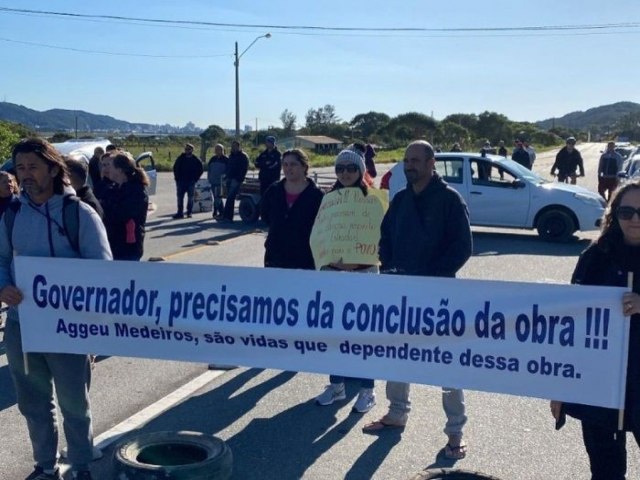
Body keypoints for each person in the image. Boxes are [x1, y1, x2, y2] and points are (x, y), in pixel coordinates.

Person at [0, 138, 112, 480]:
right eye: (20, 167)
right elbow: (2, 260)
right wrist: (3, 286)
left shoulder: (78, 214)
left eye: (33, 166)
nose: (26, 174)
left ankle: (80, 466)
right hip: (23, 325)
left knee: (74, 404)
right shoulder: (12, 214)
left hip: (67, 327)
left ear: (52, 168)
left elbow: (103, 269)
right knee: (33, 404)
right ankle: (45, 467)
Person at [363, 140, 472, 461]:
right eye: (405, 160)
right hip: (401, 295)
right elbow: (384, 239)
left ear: (430, 163)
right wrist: (391, 268)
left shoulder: (450, 200)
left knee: (447, 368)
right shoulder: (400, 200)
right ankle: (396, 413)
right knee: (398, 356)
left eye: (415, 160)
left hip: (439, 298)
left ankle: (455, 433)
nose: (409, 165)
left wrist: (432, 280)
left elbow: (462, 248)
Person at [550, 179, 640, 480]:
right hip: (599, 383)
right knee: (605, 471)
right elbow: (571, 321)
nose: (635, 220)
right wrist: (560, 388)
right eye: (627, 212)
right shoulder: (595, 255)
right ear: (615, 214)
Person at [313, 149, 379, 413]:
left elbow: (379, 239)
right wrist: (331, 263)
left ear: (361, 170)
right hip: (334, 275)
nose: (345, 173)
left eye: (351, 168)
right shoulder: (329, 198)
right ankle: (337, 384)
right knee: (335, 333)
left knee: (363, 336)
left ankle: (367, 390)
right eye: (340, 168)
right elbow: (320, 234)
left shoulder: (373, 200)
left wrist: (357, 262)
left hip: (364, 275)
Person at [261, 148, 323, 269]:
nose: (288, 168)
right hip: (275, 257)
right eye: (285, 164)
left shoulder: (316, 195)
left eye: (293, 164)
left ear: (304, 167)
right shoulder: (273, 191)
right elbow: (265, 216)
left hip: (304, 258)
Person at [101, 151, 149, 261]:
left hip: (127, 248)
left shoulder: (136, 191)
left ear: (119, 170)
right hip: (113, 245)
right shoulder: (113, 188)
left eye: (110, 166)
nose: (108, 170)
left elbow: (121, 215)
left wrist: (105, 206)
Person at [220, 141, 249, 223]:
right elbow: (229, 167)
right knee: (229, 198)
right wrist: (226, 176)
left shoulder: (243, 156)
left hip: (236, 180)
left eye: (235, 146)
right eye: (232, 146)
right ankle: (227, 216)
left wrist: (239, 178)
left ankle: (227, 217)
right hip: (229, 178)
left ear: (239, 147)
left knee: (230, 197)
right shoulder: (231, 156)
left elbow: (244, 169)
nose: (233, 148)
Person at [172, 143, 203, 219]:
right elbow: (175, 167)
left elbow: (200, 170)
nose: (187, 150)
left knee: (190, 198)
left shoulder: (196, 159)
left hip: (191, 181)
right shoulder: (181, 158)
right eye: (186, 149)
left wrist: (196, 179)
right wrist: (177, 178)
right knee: (180, 198)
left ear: (192, 150)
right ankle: (180, 213)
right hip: (181, 181)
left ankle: (189, 212)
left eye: (188, 149)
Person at [207, 144, 228, 219]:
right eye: (216, 149)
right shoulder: (213, 159)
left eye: (219, 149)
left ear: (222, 150)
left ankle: (220, 212)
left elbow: (228, 171)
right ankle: (218, 212)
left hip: (221, 183)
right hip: (213, 181)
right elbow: (209, 169)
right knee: (216, 197)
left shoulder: (226, 159)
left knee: (218, 198)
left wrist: (225, 179)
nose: (217, 151)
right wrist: (209, 178)